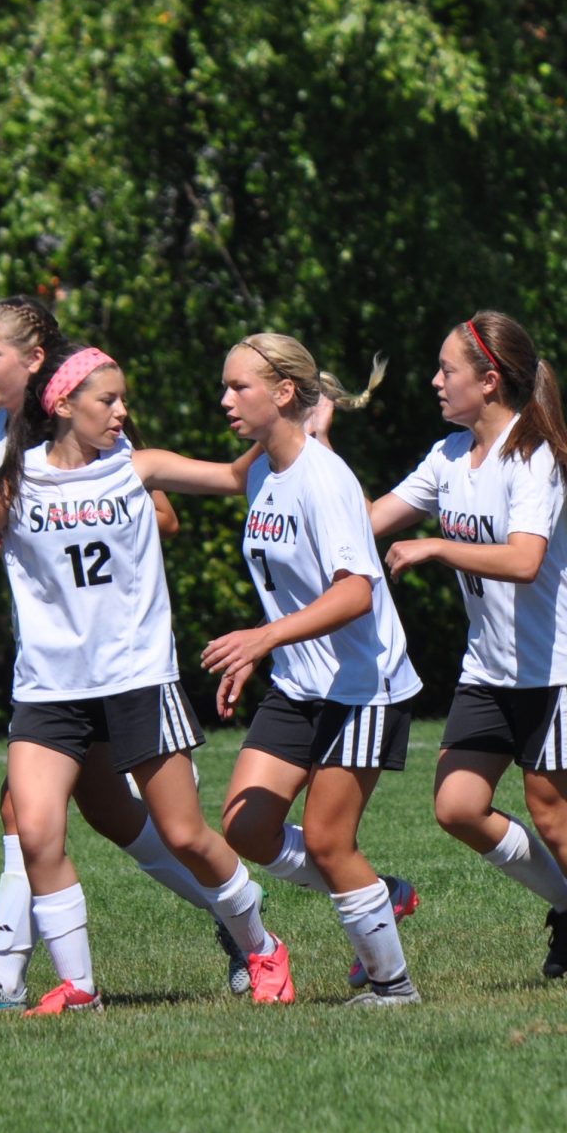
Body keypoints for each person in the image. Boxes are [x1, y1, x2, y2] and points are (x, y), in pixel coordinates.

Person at [0, 345, 298, 1013]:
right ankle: (80, 987)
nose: (121, 412)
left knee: (185, 835)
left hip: (136, 680)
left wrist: (284, 421)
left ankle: (262, 947)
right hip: (49, 689)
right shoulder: (15, 482)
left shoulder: (136, 467)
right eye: (107, 400)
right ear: (63, 405)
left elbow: (235, 477)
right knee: (37, 834)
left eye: (122, 399)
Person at [370, 313, 567, 986]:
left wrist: (436, 546)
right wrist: (310, 451)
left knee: (554, 816)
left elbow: (524, 560)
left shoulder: (534, 456)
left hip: (557, 669)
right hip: (489, 669)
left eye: (447, 370)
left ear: (489, 380)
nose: (436, 382)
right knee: (457, 807)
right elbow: (367, 521)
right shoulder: (447, 456)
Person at [175, 334, 431, 1006]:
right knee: (245, 828)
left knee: (327, 839)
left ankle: (392, 986)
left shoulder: (325, 479)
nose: (225, 399)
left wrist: (262, 639)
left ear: (284, 392)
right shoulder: (263, 469)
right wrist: (260, 651)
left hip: (363, 687)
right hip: (299, 685)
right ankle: (380, 894)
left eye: (239, 387)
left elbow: (356, 594)